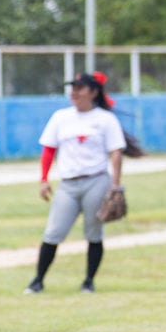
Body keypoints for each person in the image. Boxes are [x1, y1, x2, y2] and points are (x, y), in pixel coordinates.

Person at [25, 71, 143, 294]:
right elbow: (49, 149)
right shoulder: (61, 117)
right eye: (73, 88)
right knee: (53, 232)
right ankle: (37, 281)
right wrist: (43, 179)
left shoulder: (105, 119)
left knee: (94, 232)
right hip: (68, 184)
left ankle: (89, 281)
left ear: (94, 92)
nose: (75, 92)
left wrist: (115, 185)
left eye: (80, 88)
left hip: (96, 181)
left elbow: (116, 153)